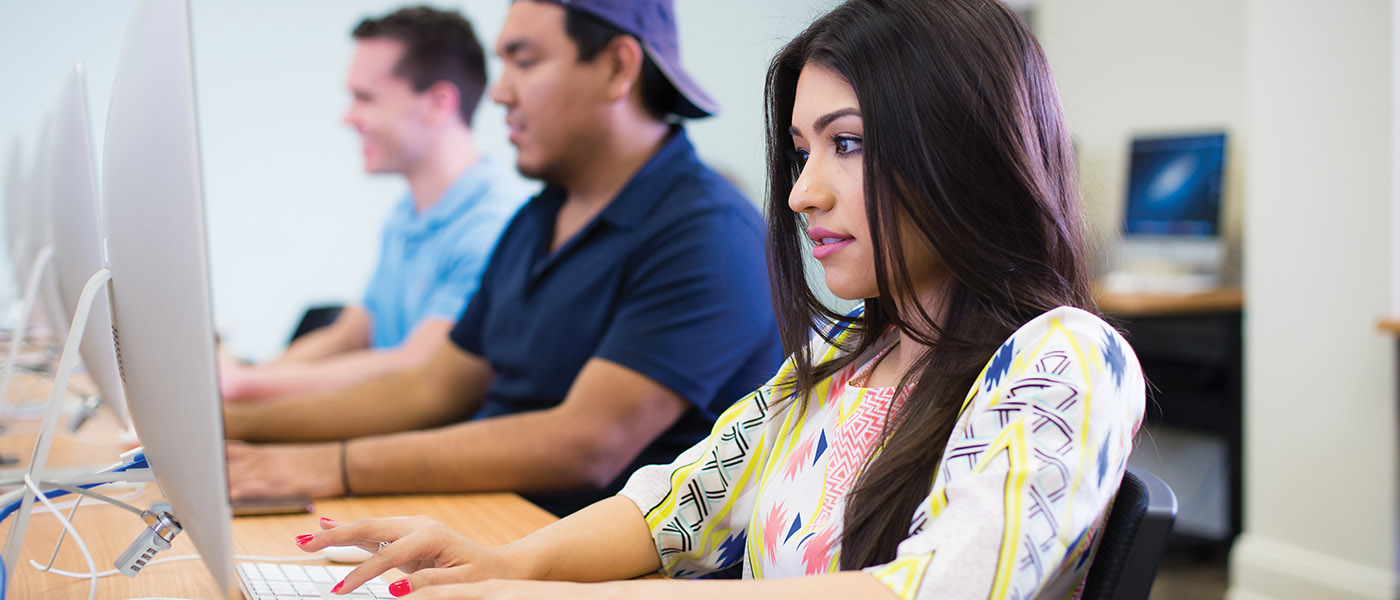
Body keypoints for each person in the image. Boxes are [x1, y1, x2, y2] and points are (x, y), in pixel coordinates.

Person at [292, 0, 1148, 598]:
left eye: (846, 144)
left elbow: (935, 588)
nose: (802, 193)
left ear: (965, 147)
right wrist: (501, 560)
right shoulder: (841, 354)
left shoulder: (1064, 356)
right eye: (802, 152)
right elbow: (672, 504)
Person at [222, 0, 782, 518]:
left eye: (526, 61)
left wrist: (331, 465)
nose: (499, 94)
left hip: (614, 572)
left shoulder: (709, 232)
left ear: (617, 67)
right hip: (495, 528)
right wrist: (234, 425)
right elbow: (430, 388)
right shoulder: (536, 220)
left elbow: (586, 444)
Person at [219, 6, 530, 402]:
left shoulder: (495, 225)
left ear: (437, 103)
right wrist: (243, 379)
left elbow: (418, 364)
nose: (348, 117)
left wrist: (245, 384)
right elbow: (351, 334)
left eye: (365, 97)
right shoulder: (406, 215)